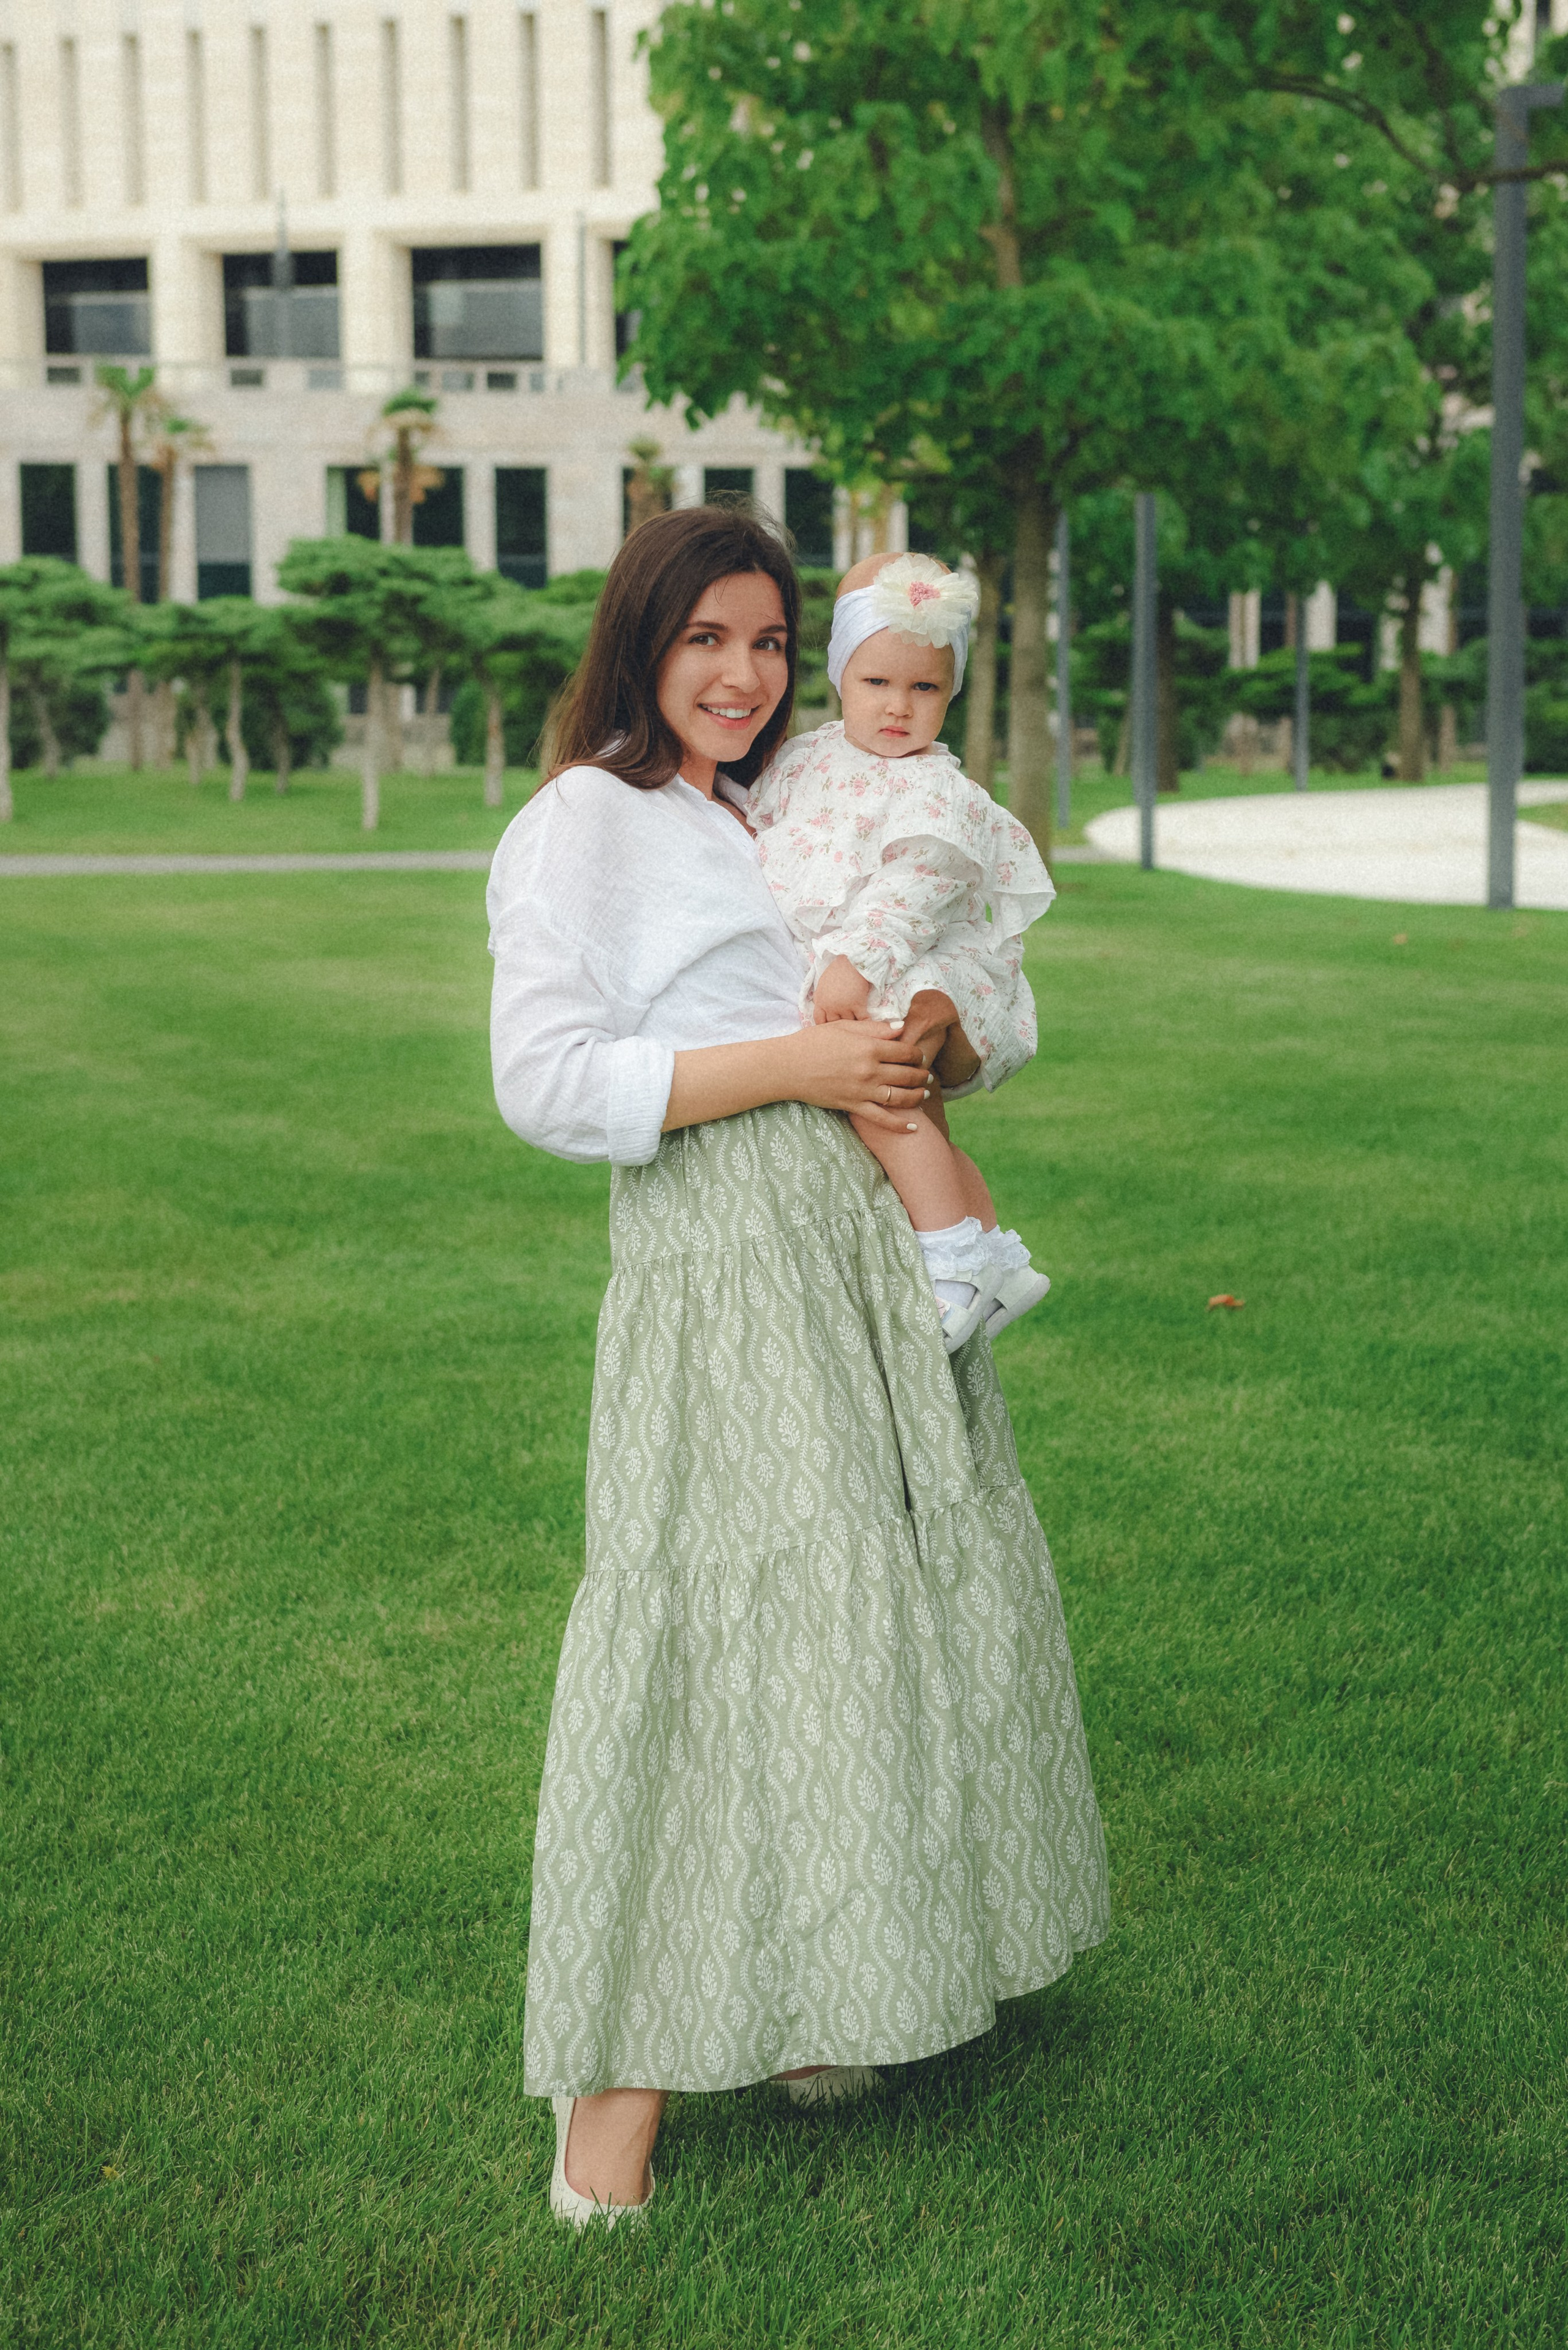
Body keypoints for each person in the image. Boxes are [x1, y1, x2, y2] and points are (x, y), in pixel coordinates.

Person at [487, 505, 1109, 2230]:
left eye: (769, 642)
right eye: (710, 641)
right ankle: (608, 2099)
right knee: (701, 1634)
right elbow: (546, 1080)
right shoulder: (586, 821)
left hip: (851, 1230)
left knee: (876, 1611)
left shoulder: (776, 804)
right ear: (641, 646)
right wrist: (798, 1055)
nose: (747, 675)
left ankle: (834, 1991)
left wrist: (926, 1034)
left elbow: (979, 999)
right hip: (721, 1250)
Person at [749, 551, 1055, 1351]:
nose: (898, 708)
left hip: (904, 964)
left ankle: (950, 1257)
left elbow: (914, 887)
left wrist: (856, 960)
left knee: (884, 1102)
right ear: (840, 677)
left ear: (950, 695)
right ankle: (994, 1251)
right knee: (926, 1124)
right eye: (876, 684)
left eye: (924, 689)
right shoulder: (809, 758)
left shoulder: (932, 789)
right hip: (860, 963)